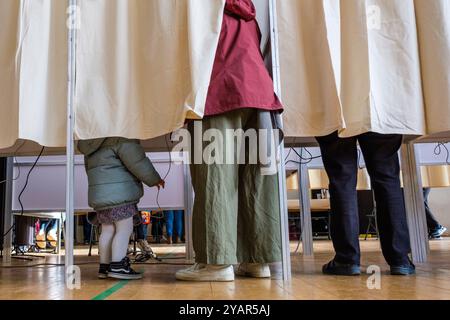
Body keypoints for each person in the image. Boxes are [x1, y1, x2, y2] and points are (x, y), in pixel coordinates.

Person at [175, 0, 283, 282]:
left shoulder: (203, 11)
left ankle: (216, 263)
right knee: (255, 180)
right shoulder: (251, 14)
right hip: (258, 95)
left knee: (215, 176)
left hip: (218, 92)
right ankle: (257, 260)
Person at [316, 132, 415, 276]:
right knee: (387, 177)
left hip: (338, 113)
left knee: (342, 178)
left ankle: (346, 259)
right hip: (380, 112)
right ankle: (400, 259)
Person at [79, 138, 165, 280]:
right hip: (120, 194)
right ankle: (118, 266)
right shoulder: (120, 137)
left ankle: (104, 267)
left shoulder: (90, 142)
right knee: (124, 229)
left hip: (101, 195)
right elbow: (137, 162)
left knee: (107, 230)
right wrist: (154, 179)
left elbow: (89, 170)